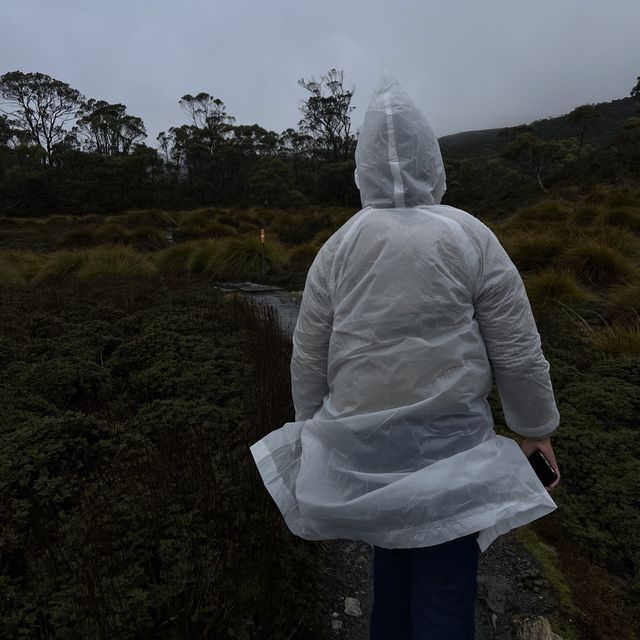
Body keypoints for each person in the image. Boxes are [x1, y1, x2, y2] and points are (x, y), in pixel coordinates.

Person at [249, 72, 561, 640]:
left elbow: (308, 351)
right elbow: (516, 346)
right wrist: (535, 429)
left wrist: (308, 429)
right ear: (433, 159)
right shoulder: (470, 235)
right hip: (452, 451)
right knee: (443, 586)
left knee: (390, 565)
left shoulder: (338, 246)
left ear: (362, 166)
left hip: (363, 454)